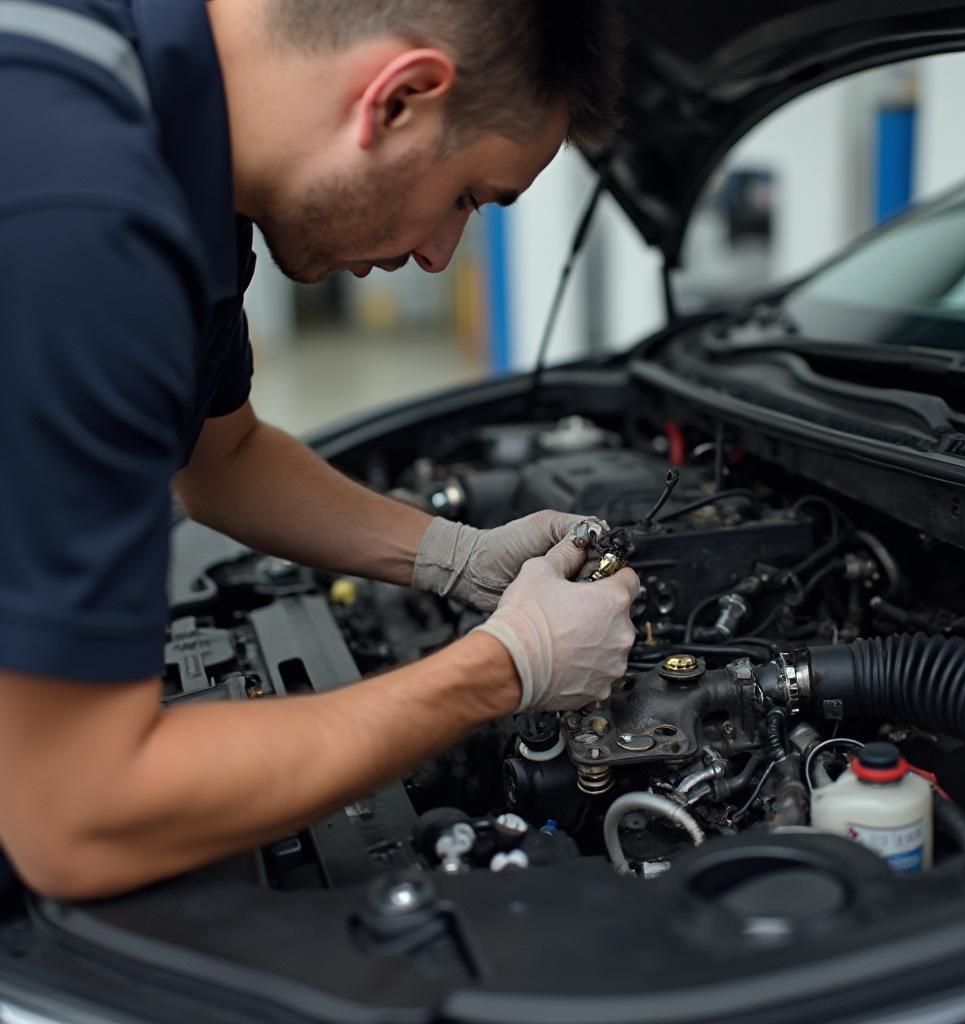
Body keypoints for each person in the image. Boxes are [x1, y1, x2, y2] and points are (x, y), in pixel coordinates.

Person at [0, 0, 637, 901]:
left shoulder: (180, 154)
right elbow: (82, 818)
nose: (440, 255)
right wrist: (506, 667)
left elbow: (221, 457)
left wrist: (454, 559)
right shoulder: (79, 214)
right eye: (466, 197)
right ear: (401, 97)